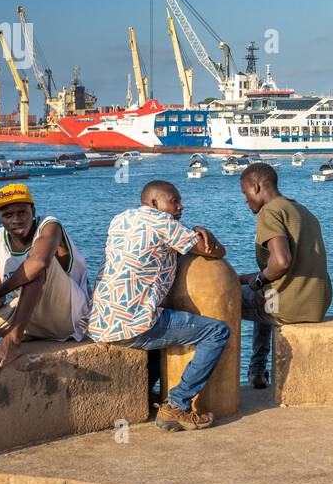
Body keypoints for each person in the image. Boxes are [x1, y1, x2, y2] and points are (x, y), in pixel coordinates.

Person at [86, 180, 232, 432]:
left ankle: (146, 395)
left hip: (101, 322)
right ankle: (177, 405)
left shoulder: (120, 219)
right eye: (174, 201)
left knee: (155, 331)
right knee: (217, 332)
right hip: (135, 323)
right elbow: (216, 251)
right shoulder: (164, 223)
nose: (180, 206)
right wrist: (201, 230)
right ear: (155, 203)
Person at [237, 162, 332, 388]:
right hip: (316, 304)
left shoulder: (269, 212)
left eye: (245, 192)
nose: (245, 199)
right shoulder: (301, 211)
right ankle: (258, 371)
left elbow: (281, 262)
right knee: (262, 293)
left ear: (256, 186)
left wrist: (257, 281)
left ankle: (216, 381)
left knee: (223, 299)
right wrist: (246, 279)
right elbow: (289, 266)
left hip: (289, 306)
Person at [0, 183, 90, 369]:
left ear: (33, 210)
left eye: (22, 212)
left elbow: (38, 263)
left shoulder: (49, 225)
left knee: (36, 267)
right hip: (32, 319)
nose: (16, 220)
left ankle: (12, 342)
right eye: (8, 215)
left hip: (68, 314)